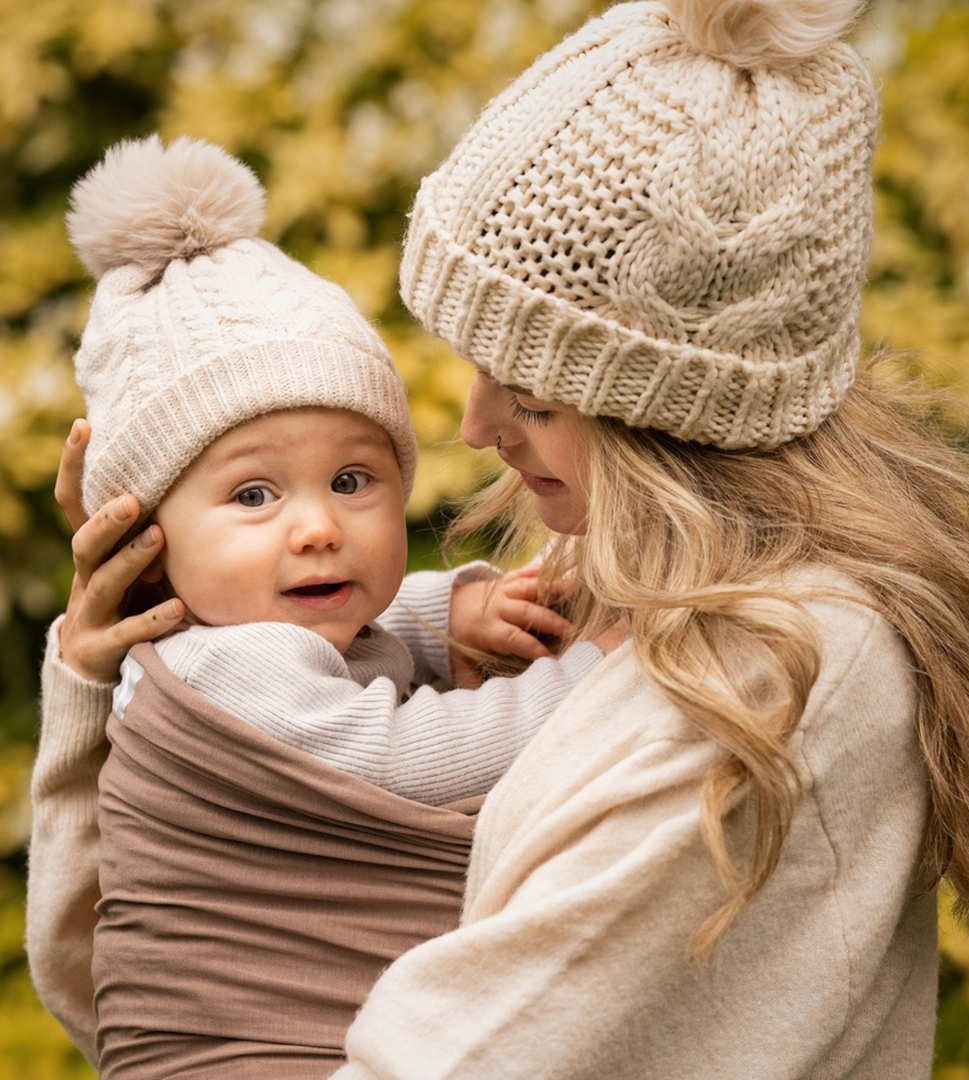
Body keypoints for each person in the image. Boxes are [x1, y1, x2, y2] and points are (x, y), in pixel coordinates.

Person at [30, 0, 969, 1077]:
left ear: (666, 409)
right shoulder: (611, 584)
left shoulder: (765, 670)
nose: (475, 428)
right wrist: (111, 669)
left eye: (529, 390)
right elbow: (123, 983)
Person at [27, 135, 612, 1079]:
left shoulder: (232, 639)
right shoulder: (232, 664)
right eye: (254, 496)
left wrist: (439, 617)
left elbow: (348, 637)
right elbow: (407, 757)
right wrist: (600, 673)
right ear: (146, 539)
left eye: (351, 479)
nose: (316, 529)